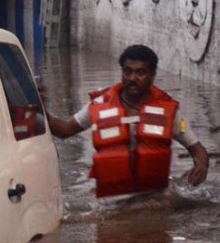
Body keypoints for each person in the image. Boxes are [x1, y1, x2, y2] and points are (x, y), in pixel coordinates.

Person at [48, 44, 209, 198]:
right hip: (111, 196)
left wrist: (201, 166)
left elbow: (197, 150)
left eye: (140, 72)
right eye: (127, 72)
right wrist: (37, 109)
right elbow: (64, 130)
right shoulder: (101, 105)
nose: (132, 78)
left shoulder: (168, 113)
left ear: (152, 76)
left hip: (155, 196)